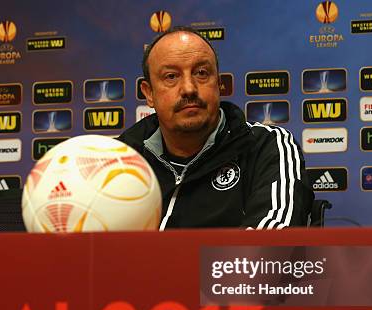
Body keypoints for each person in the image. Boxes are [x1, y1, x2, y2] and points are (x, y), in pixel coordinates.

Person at [118, 26, 314, 229]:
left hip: (228, 263)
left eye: (201, 73)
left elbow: (272, 239)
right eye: (171, 76)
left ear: (219, 84)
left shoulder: (265, 146)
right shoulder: (121, 158)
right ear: (149, 93)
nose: (188, 88)